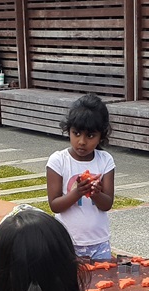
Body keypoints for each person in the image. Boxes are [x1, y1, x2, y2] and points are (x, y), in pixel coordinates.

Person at [46, 93, 116, 260]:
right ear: (68, 130)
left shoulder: (105, 160)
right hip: (67, 241)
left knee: (102, 282)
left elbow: (107, 204)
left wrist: (96, 193)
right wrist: (76, 193)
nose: (82, 142)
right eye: (76, 133)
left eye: (90, 136)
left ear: (101, 135)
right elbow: (55, 205)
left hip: (99, 242)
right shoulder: (58, 161)